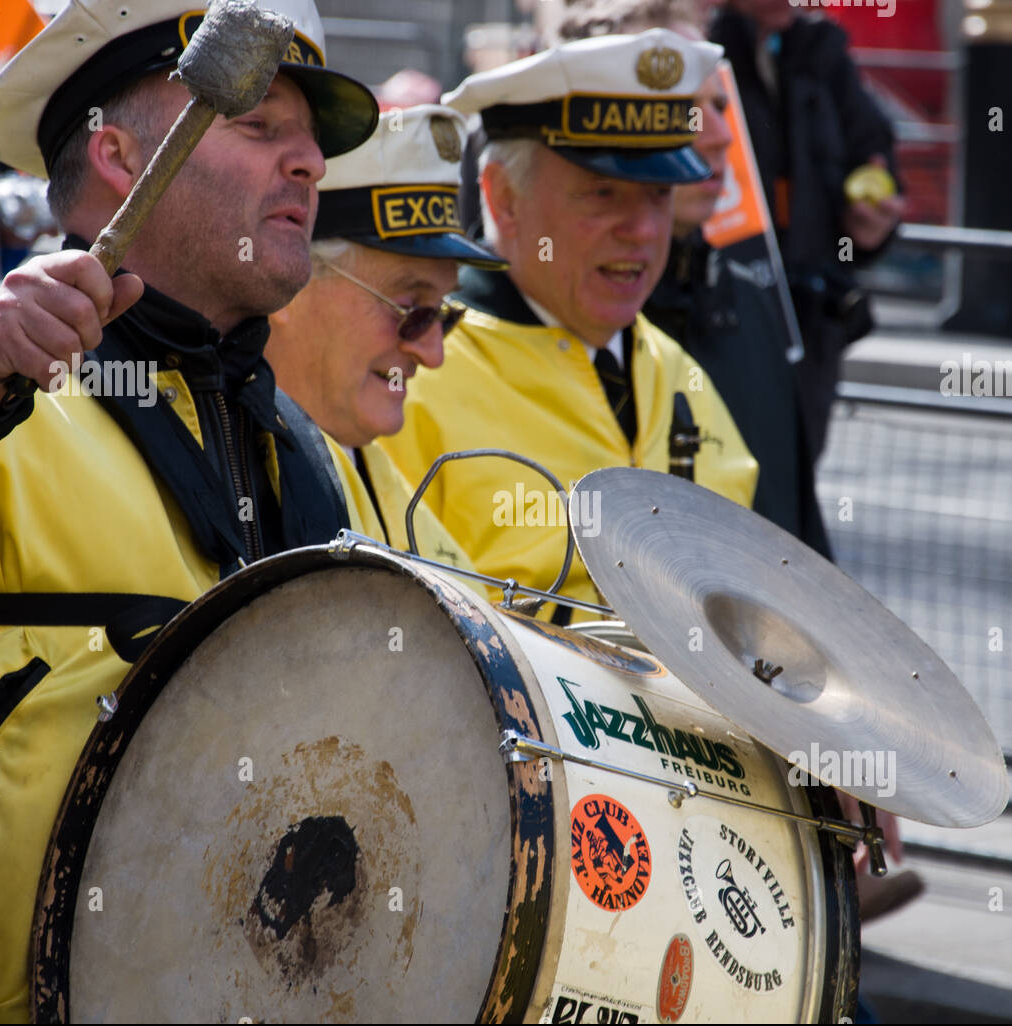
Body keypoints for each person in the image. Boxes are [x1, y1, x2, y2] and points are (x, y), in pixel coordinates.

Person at [0, 0, 380, 1023]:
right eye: (260, 127)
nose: (306, 163)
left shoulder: (304, 441)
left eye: (311, 143)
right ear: (117, 155)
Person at [380, 29, 759, 610]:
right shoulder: (412, 380)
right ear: (503, 197)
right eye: (603, 193)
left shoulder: (671, 365)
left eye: (658, 194)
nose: (642, 229)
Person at [555, 0, 829, 558]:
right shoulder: (556, 313)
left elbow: (801, 550)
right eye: (684, 107)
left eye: (720, 104)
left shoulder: (752, 308)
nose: (722, 135)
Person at [266, 103, 505, 567]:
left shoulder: (370, 466)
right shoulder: (231, 477)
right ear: (290, 284)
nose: (432, 353)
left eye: (443, 314)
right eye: (412, 308)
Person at [710, 0, 905, 463]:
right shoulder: (702, 55)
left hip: (810, 323)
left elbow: (874, 156)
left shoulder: (821, 54)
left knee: (793, 485)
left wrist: (871, 223)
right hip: (720, 320)